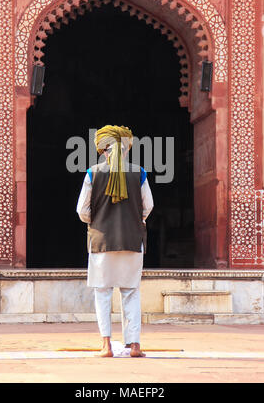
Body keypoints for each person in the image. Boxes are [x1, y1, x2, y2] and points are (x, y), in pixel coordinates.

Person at [76, 125, 154, 358]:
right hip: (132, 241)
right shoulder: (139, 172)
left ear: (103, 150)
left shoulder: (93, 172)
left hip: (101, 243)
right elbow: (148, 206)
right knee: (131, 292)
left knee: (103, 293)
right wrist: (134, 220)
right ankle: (135, 346)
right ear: (126, 149)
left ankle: (106, 346)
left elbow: (82, 210)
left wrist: (98, 220)